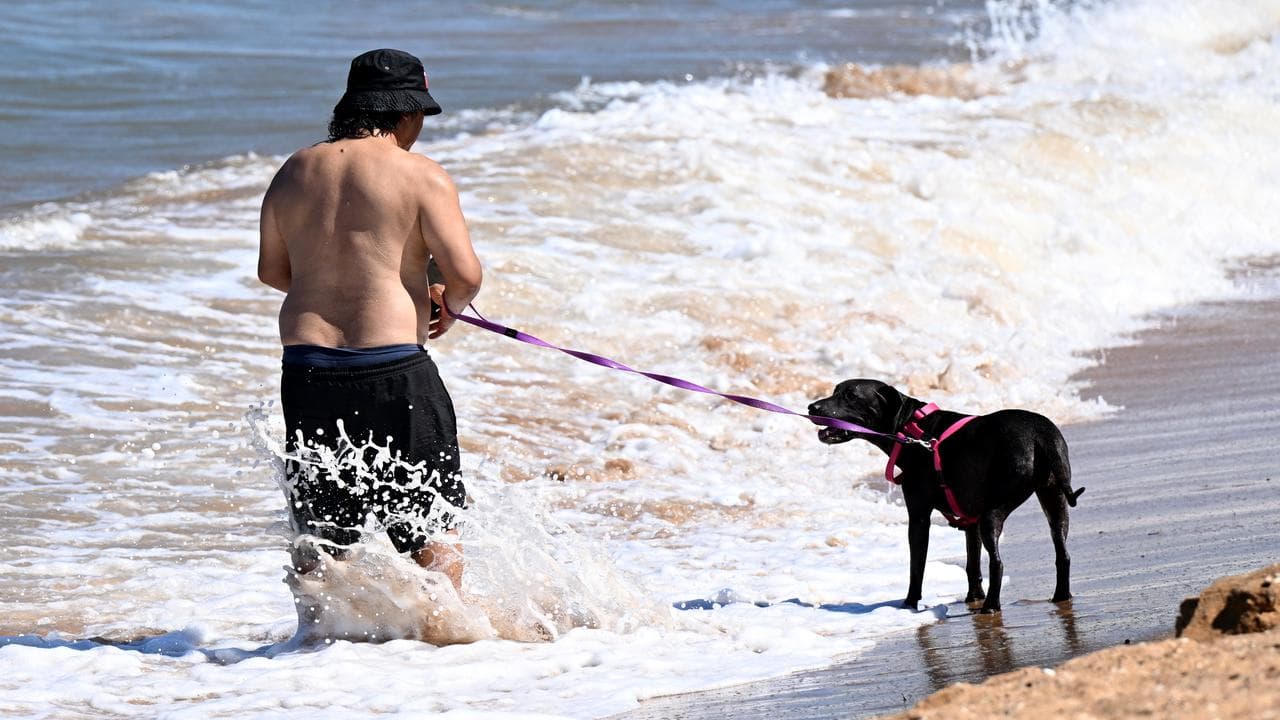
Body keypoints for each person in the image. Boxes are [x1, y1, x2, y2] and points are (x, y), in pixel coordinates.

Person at [257, 48, 482, 592]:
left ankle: (318, 642)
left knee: (322, 534)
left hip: (308, 368)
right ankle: (446, 636)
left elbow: (273, 271)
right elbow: (466, 274)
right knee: (430, 525)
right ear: (407, 113)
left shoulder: (294, 168)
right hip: (392, 368)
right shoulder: (421, 175)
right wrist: (444, 307)